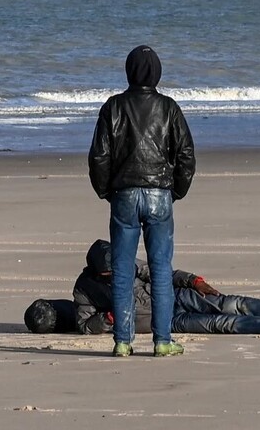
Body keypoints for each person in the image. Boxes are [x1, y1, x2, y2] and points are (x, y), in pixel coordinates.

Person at [89, 45, 196, 357]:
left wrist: (106, 191)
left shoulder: (114, 107)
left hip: (124, 194)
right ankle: (162, 340)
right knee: (161, 269)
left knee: (123, 270)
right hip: (159, 194)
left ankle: (123, 341)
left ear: (129, 71)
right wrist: (175, 190)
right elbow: (186, 155)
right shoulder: (168, 108)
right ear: (157, 73)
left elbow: (99, 157)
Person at [24, 240, 260, 337]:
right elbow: (83, 326)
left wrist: (193, 280)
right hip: (163, 320)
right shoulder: (84, 289)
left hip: (173, 295)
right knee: (221, 324)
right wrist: (107, 321)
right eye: (110, 273)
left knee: (231, 303)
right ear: (98, 272)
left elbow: (160, 271)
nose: (118, 273)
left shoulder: (126, 261)